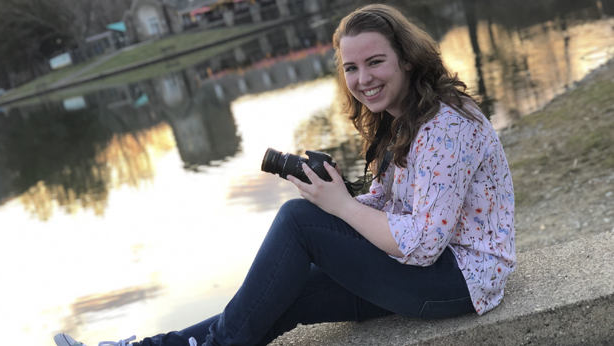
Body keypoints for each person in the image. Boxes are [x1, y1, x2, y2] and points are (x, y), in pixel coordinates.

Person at [54, 4, 515, 346]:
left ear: (407, 59)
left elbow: (422, 243)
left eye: (375, 62)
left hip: (458, 281)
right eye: (351, 68)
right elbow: (390, 207)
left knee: (297, 222)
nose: (363, 78)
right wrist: (330, 194)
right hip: (432, 273)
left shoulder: (446, 125)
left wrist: (339, 208)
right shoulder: (402, 119)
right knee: (281, 292)